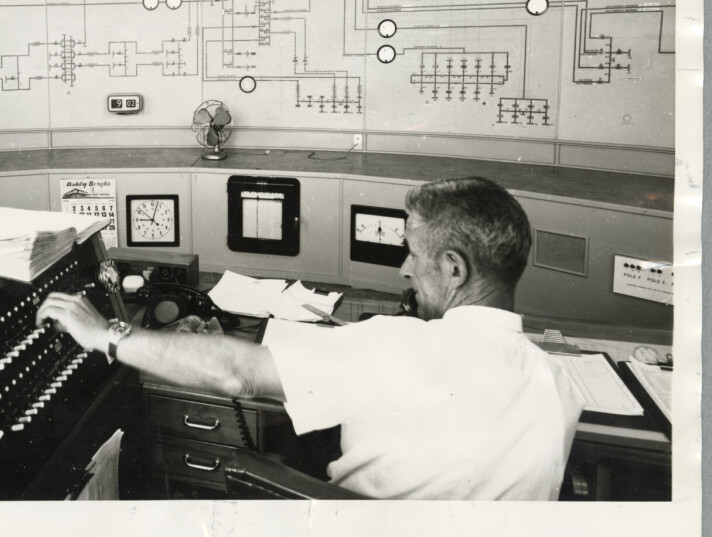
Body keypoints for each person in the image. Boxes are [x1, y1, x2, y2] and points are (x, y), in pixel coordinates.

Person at [35, 176, 585, 500]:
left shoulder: (395, 343)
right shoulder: (561, 385)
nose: (403, 270)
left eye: (413, 254)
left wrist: (104, 333)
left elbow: (239, 372)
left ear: (454, 269)